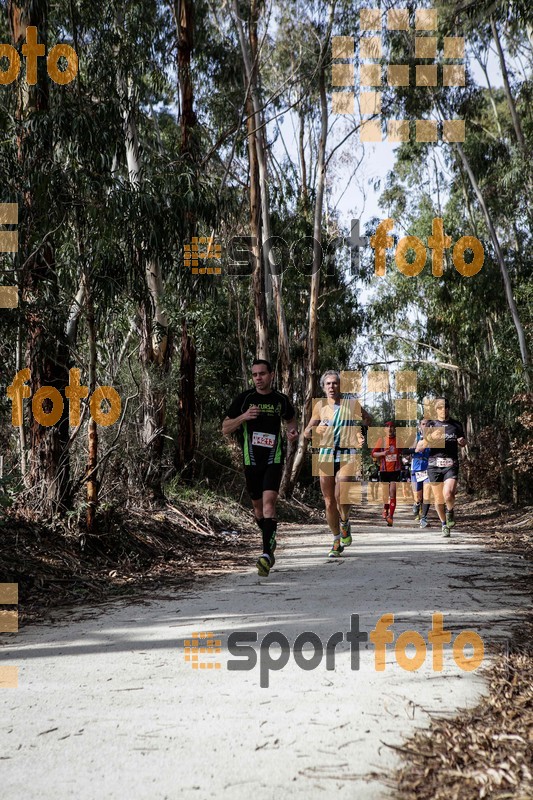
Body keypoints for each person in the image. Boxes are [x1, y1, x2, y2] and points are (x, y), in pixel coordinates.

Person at [222, 359, 298, 576]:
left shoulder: (280, 400)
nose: (258, 378)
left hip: (274, 458)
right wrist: (243, 417)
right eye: (255, 374)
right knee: (257, 510)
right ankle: (269, 537)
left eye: (262, 374)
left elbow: (291, 421)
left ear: (271, 375)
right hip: (252, 460)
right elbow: (225, 428)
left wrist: (292, 434)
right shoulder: (245, 399)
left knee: (268, 505)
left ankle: (265, 554)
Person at [304, 370, 371, 558]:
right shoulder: (319, 406)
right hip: (325, 455)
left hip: (346, 454)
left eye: (334, 383)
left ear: (340, 385)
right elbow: (306, 432)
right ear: (323, 387)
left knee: (341, 494)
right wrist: (314, 430)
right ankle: (335, 540)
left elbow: (368, 418)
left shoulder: (351, 404)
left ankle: (345, 520)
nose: (331, 387)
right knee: (328, 502)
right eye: (328, 384)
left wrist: (360, 432)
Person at [421, 398, 467, 537]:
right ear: (436, 410)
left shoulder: (456, 425)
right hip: (434, 465)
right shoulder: (430, 424)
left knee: (449, 494)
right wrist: (431, 437)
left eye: (445, 407)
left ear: (448, 409)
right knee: (438, 498)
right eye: (440, 407)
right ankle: (444, 524)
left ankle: (450, 511)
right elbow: (422, 445)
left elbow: (463, 442)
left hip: (451, 463)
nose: (443, 410)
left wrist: (462, 442)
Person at [371, 421, 401, 526]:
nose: (390, 429)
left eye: (392, 427)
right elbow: (373, 453)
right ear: (385, 429)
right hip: (384, 470)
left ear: (394, 429)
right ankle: (385, 508)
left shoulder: (398, 440)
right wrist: (383, 453)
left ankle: (391, 516)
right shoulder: (382, 441)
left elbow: (403, 451)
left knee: (392, 492)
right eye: (388, 427)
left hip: (395, 470)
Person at [411, 419, 432, 528]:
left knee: (427, 494)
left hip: (429, 468)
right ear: (420, 426)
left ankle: (424, 518)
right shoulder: (415, 437)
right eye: (423, 424)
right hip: (416, 468)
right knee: (418, 497)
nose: (426, 426)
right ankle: (416, 504)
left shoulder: (434, 437)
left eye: (428, 424)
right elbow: (410, 449)